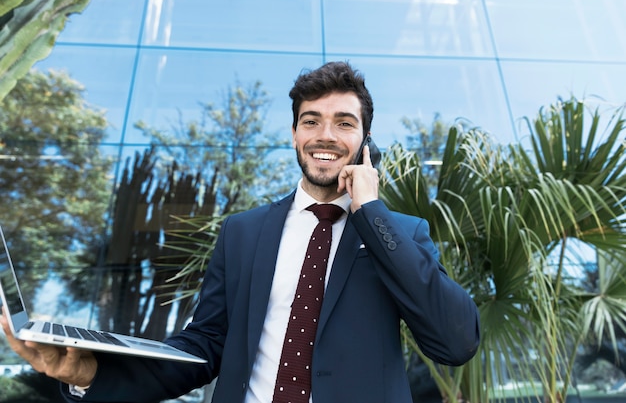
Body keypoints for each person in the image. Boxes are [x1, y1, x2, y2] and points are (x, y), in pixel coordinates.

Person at [1, 61, 479, 403]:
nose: (326, 135)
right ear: (294, 135)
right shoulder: (243, 233)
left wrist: (371, 214)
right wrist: (91, 373)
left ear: (364, 142)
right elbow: (203, 348)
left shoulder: (400, 233)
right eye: (311, 121)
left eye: (344, 123)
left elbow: (454, 342)